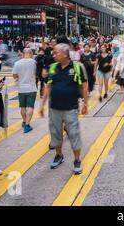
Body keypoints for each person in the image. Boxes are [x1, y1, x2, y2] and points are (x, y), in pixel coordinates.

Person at [39, 43, 88, 174]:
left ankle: (77, 160)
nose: (53, 55)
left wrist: (85, 104)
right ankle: (59, 155)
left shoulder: (77, 67)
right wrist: (42, 104)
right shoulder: (53, 68)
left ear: (65, 54)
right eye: (53, 53)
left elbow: (84, 86)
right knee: (55, 133)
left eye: (56, 53)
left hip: (70, 108)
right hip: (54, 107)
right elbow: (48, 86)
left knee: (74, 134)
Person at [12, 48, 38, 133]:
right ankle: (27, 125)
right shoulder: (34, 63)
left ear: (23, 54)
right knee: (30, 106)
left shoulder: (17, 63)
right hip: (31, 87)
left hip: (21, 88)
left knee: (22, 106)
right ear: (31, 54)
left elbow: (14, 76)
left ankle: (24, 121)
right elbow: (37, 74)